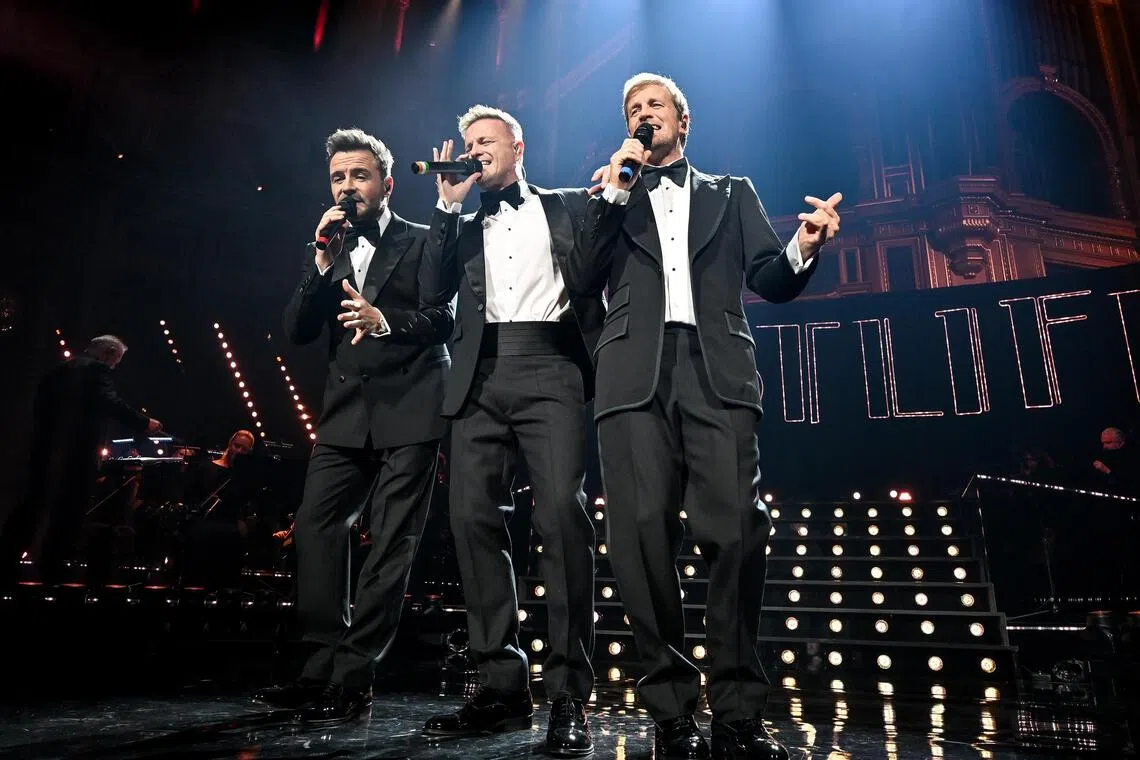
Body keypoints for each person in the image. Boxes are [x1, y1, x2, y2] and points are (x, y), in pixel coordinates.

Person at [566, 73, 841, 760]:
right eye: (632, 108)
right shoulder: (609, 194)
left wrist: (805, 245)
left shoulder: (732, 192)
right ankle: (670, 711)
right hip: (632, 378)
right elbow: (580, 278)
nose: (643, 113)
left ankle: (738, 713)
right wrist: (614, 192)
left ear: (682, 121)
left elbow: (769, 277)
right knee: (640, 537)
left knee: (739, 531)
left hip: (717, 371)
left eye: (654, 104)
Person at [417, 105, 604, 757]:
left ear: (517, 147)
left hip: (552, 364)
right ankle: (501, 687)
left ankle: (570, 695)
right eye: (468, 142)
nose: (475, 149)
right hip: (479, 373)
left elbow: (603, 263)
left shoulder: (568, 205)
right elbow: (431, 292)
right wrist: (446, 208)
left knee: (561, 518)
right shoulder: (462, 226)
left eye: (486, 140)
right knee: (471, 520)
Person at [253, 128, 453, 727]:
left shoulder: (422, 239)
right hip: (344, 414)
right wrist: (319, 263)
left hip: (411, 405)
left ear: (386, 185)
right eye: (338, 177)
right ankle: (319, 665)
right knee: (316, 530)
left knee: (390, 542)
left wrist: (382, 319)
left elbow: (444, 317)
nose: (347, 187)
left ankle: (354, 673)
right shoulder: (330, 248)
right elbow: (297, 331)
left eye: (358, 176)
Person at [0, 335, 161, 588]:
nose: (114, 366)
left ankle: (5, 568)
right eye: (116, 360)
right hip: (76, 455)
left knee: (31, 508)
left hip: (45, 450)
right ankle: (51, 576)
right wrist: (144, 422)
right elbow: (109, 402)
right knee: (68, 516)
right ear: (108, 353)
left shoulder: (59, 370)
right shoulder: (97, 369)